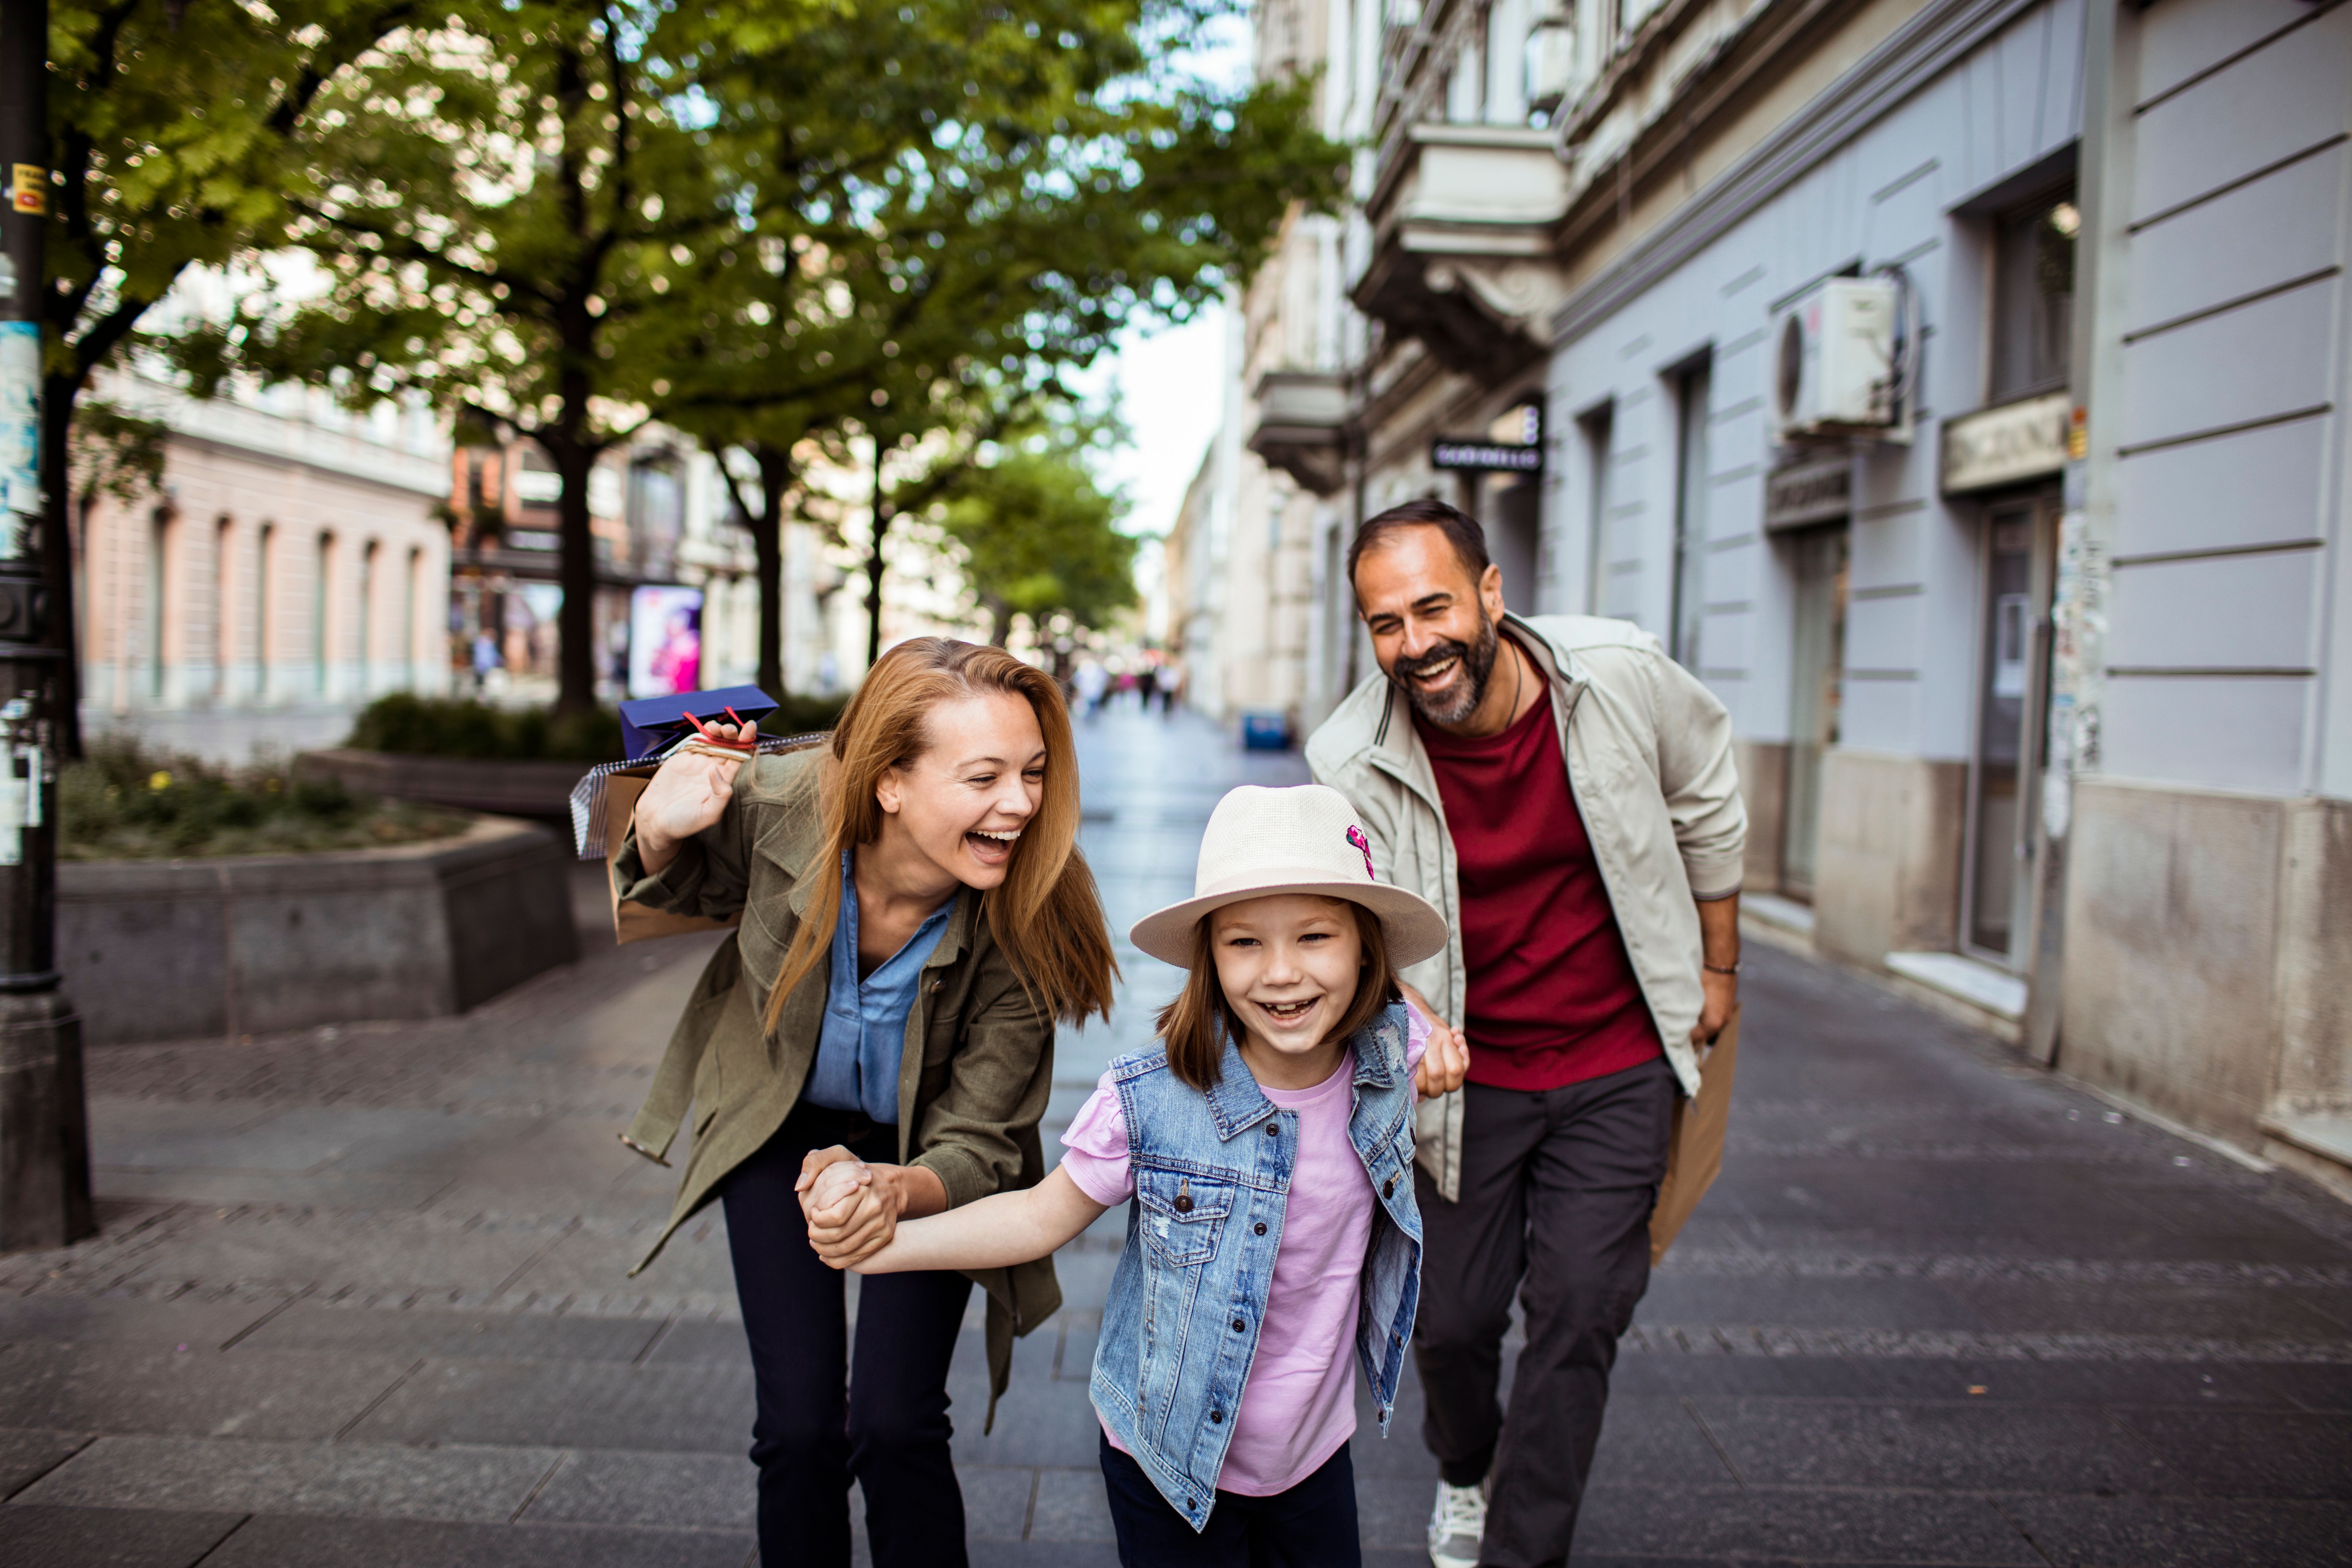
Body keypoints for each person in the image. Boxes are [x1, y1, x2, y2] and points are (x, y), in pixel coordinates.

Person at [802, 784, 1471, 1568]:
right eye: (1244, 943)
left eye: (1316, 937)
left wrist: (1436, 1047)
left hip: (1314, 1459)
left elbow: (1410, 1017)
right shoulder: (1150, 1099)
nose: (1282, 974)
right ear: (1209, 957)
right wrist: (876, 1243)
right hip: (1167, 1458)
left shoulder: (1388, 1058)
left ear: (1365, 949)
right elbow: (1036, 1219)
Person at [611, 637, 1119, 1568]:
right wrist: (660, 825)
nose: (1021, 804)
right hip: (777, 1122)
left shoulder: (1030, 914)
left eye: (1034, 773)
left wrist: (891, 1192)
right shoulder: (778, 803)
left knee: (894, 1424)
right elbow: (669, 888)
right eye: (984, 778)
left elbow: (983, 1140)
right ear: (889, 781)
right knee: (800, 1428)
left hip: (924, 1157)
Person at [1303, 500, 1744, 1568]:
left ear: (1492, 593)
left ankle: (1523, 1549)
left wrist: (1720, 964)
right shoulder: (1350, 755)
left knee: (1584, 1309)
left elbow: (1706, 801)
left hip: (1617, 1055)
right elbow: (1354, 922)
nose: (1415, 644)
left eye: (1434, 608)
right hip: (1465, 1079)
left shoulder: (1619, 674)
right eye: (1386, 624)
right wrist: (1412, 1018)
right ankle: (1466, 1471)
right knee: (1449, 1326)